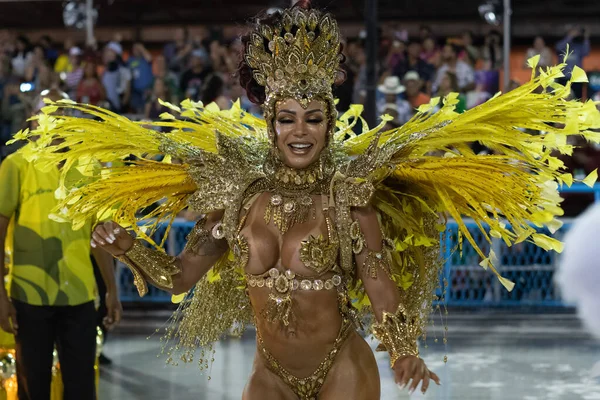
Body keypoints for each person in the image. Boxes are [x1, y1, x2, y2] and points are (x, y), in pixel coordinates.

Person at [19, 1, 600, 399]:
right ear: (270, 124)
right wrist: (127, 246)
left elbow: (377, 282)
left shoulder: (350, 199)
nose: (301, 131)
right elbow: (177, 277)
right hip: (268, 374)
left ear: (328, 123)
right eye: (289, 118)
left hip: (341, 369)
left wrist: (402, 350)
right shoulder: (236, 196)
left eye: (315, 118)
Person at [0, 88, 122, 400]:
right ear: (36, 119)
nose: (58, 117)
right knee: (34, 387)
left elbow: (100, 236)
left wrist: (111, 289)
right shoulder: (16, 165)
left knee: (81, 388)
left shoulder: (89, 168)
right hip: (30, 296)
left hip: (80, 295)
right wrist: (0, 294)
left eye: (64, 111)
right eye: (50, 111)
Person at [556, 26, 591, 100]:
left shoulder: (579, 46)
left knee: (577, 100)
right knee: (561, 100)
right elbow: (558, 47)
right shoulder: (562, 45)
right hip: (563, 77)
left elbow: (586, 52)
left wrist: (586, 38)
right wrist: (570, 36)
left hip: (576, 78)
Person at [102, 41, 131, 113]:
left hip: (117, 110)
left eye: (110, 53)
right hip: (106, 108)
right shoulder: (104, 72)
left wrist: (121, 108)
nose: (106, 55)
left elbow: (127, 92)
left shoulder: (124, 71)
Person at [128, 42, 154, 114]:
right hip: (135, 91)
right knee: (136, 110)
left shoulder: (145, 59)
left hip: (147, 90)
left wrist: (141, 48)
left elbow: (150, 58)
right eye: (134, 48)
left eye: (138, 49)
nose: (136, 50)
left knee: (147, 110)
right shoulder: (130, 60)